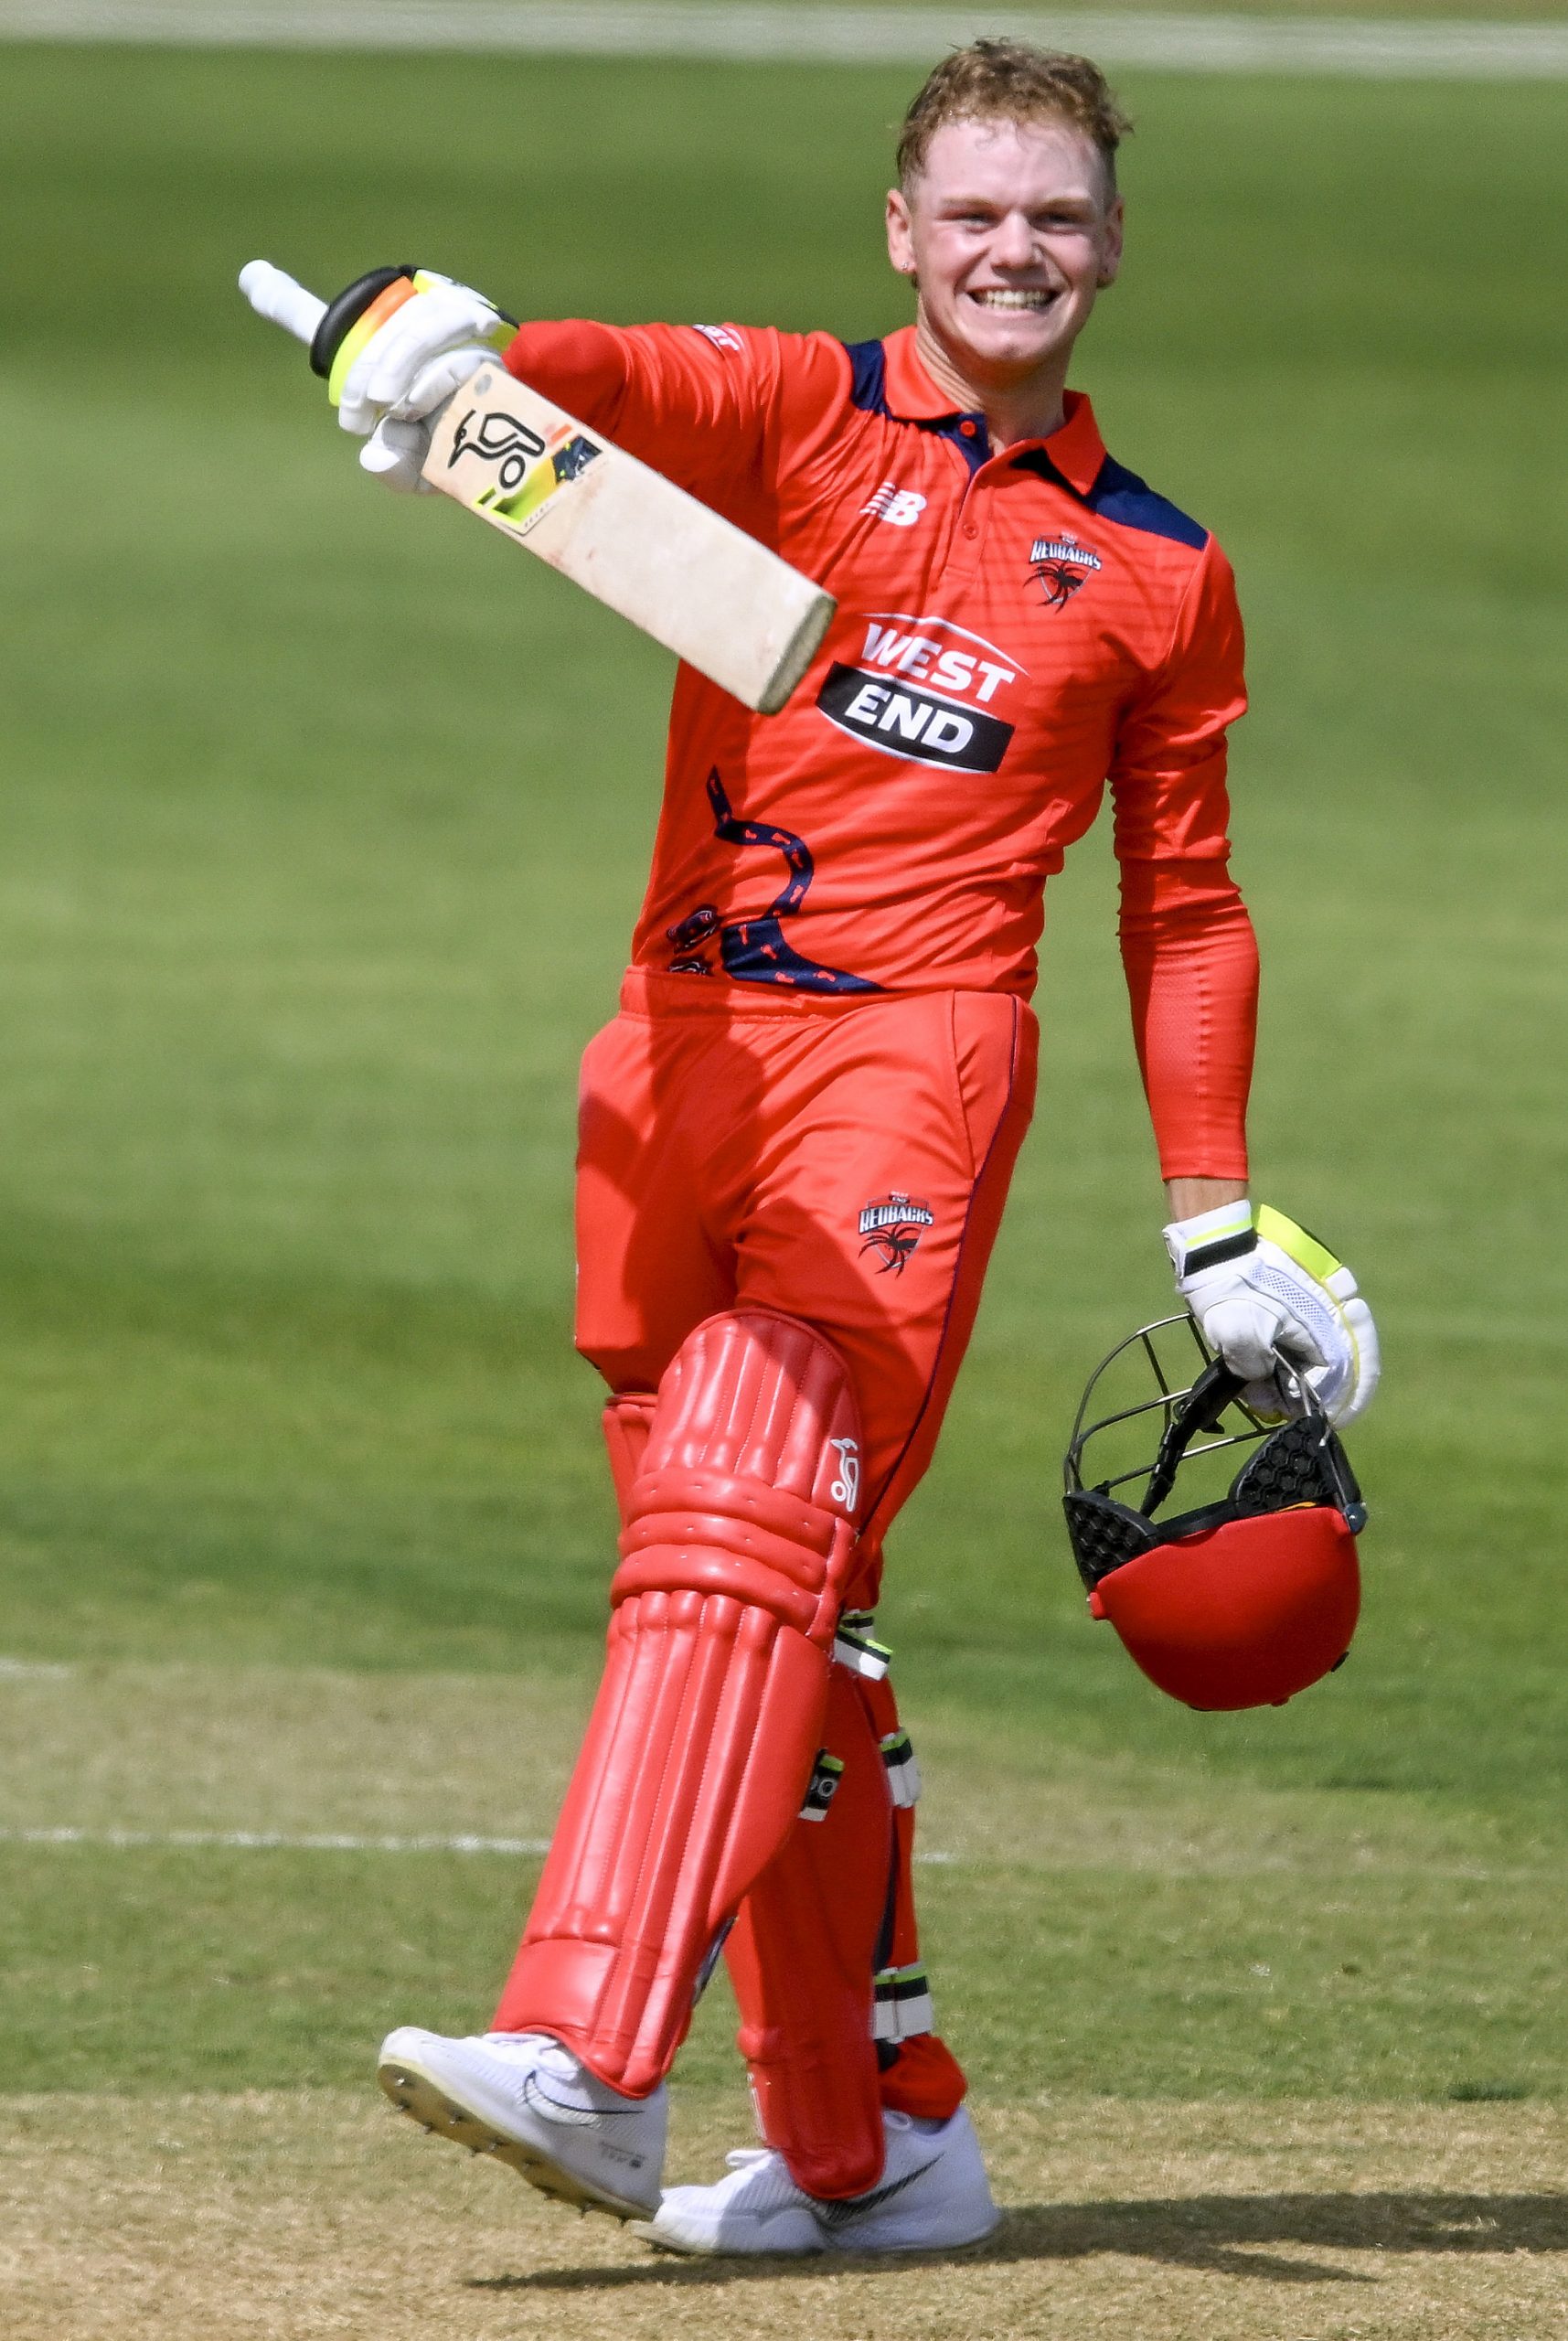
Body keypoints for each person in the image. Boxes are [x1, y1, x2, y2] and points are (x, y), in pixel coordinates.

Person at [336, 40, 1379, 2256]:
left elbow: (1183, 901)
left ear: (1111, 246)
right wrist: (444, 336)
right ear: (905, 232)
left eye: (1064, 217)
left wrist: (1217, 1205)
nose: (1021, 251)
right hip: (677, 1053)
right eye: (980, 212)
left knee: (745, 1487)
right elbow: (602, 373)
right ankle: (869, 2130)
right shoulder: (796, 408)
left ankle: (596, 2057)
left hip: (910, 1069)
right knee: (772, 1609)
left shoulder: (1159, 570)